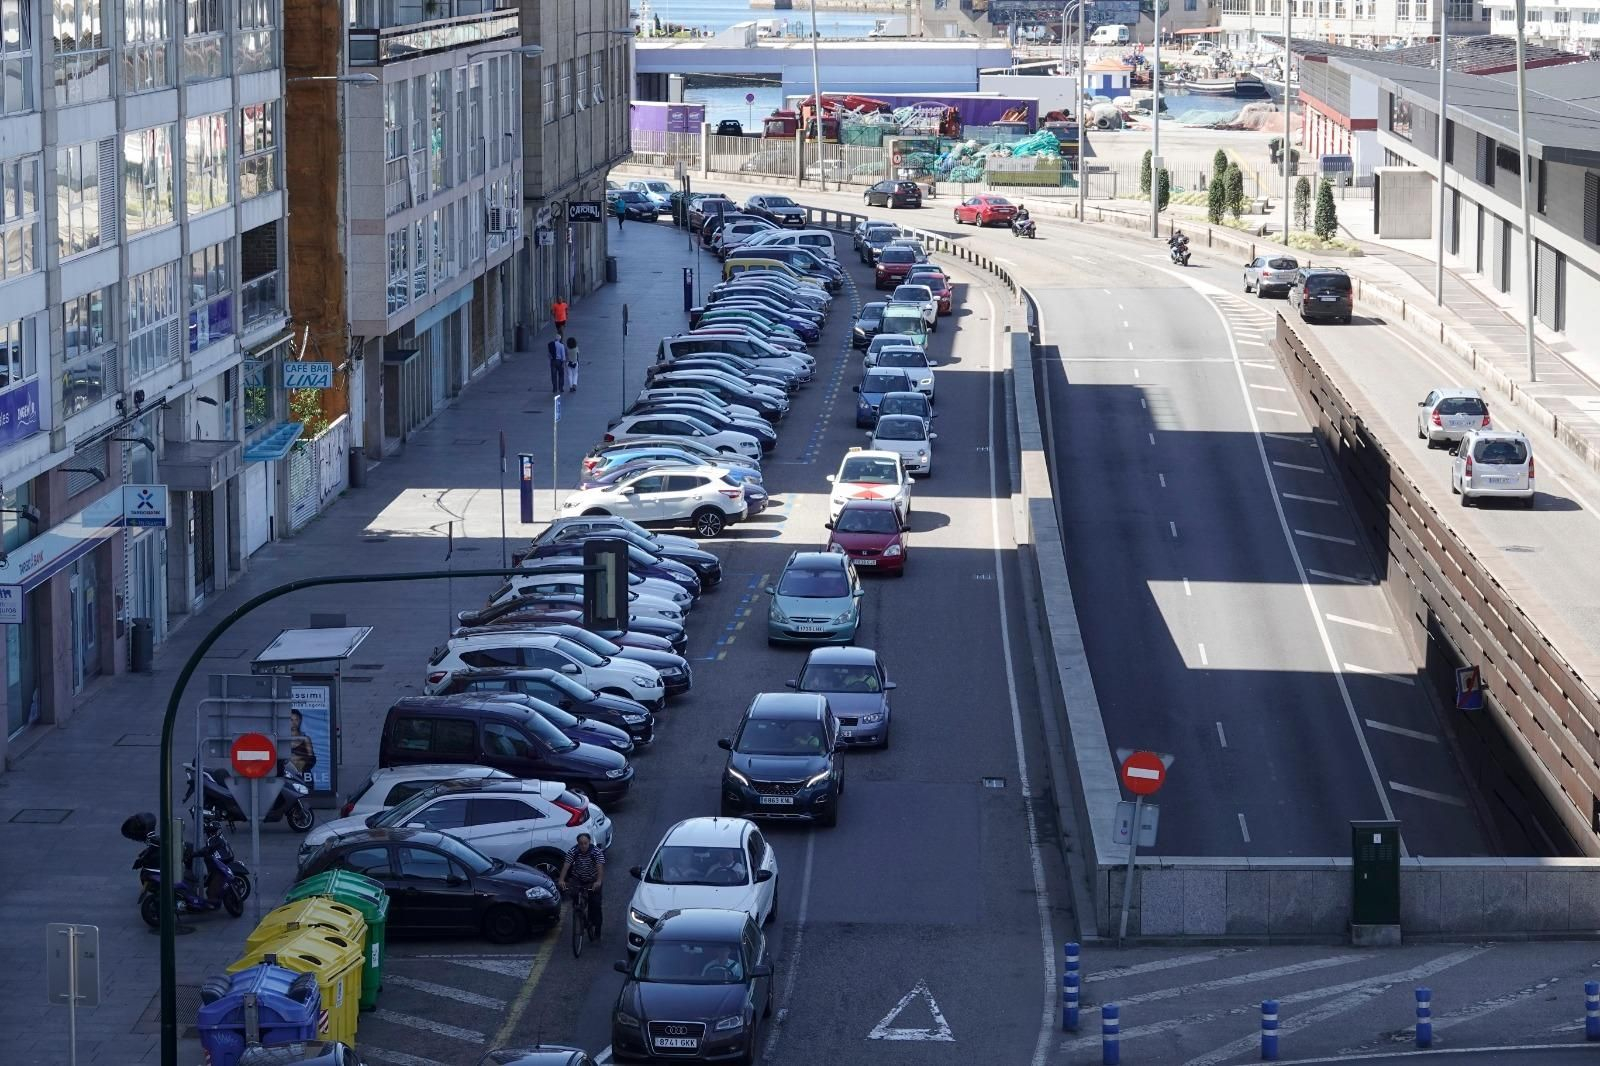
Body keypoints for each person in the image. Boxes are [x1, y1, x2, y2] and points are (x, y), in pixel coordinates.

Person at [557, 832, 606, 938]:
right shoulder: (573, 851)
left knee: (596, 904)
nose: (583, 846)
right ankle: (578, 911)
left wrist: (598, 881)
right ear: (578, 844)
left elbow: (600, 868)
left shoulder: (596, 852)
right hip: (578, 878)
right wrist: (561, 880)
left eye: (585, 843)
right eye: (581, 843)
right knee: (573, 893)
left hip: (593, 879)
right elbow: (566, 865)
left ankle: (597, 927)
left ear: (589, 842)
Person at [287, 709, 316, 775]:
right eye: (291, 720)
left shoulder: (305, 739)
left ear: (300, 721)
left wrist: (300, 760)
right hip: (287, 775)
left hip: (303, 775)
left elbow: (312, 759)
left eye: (296, 720)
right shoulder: (282, 739)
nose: (294, 723)